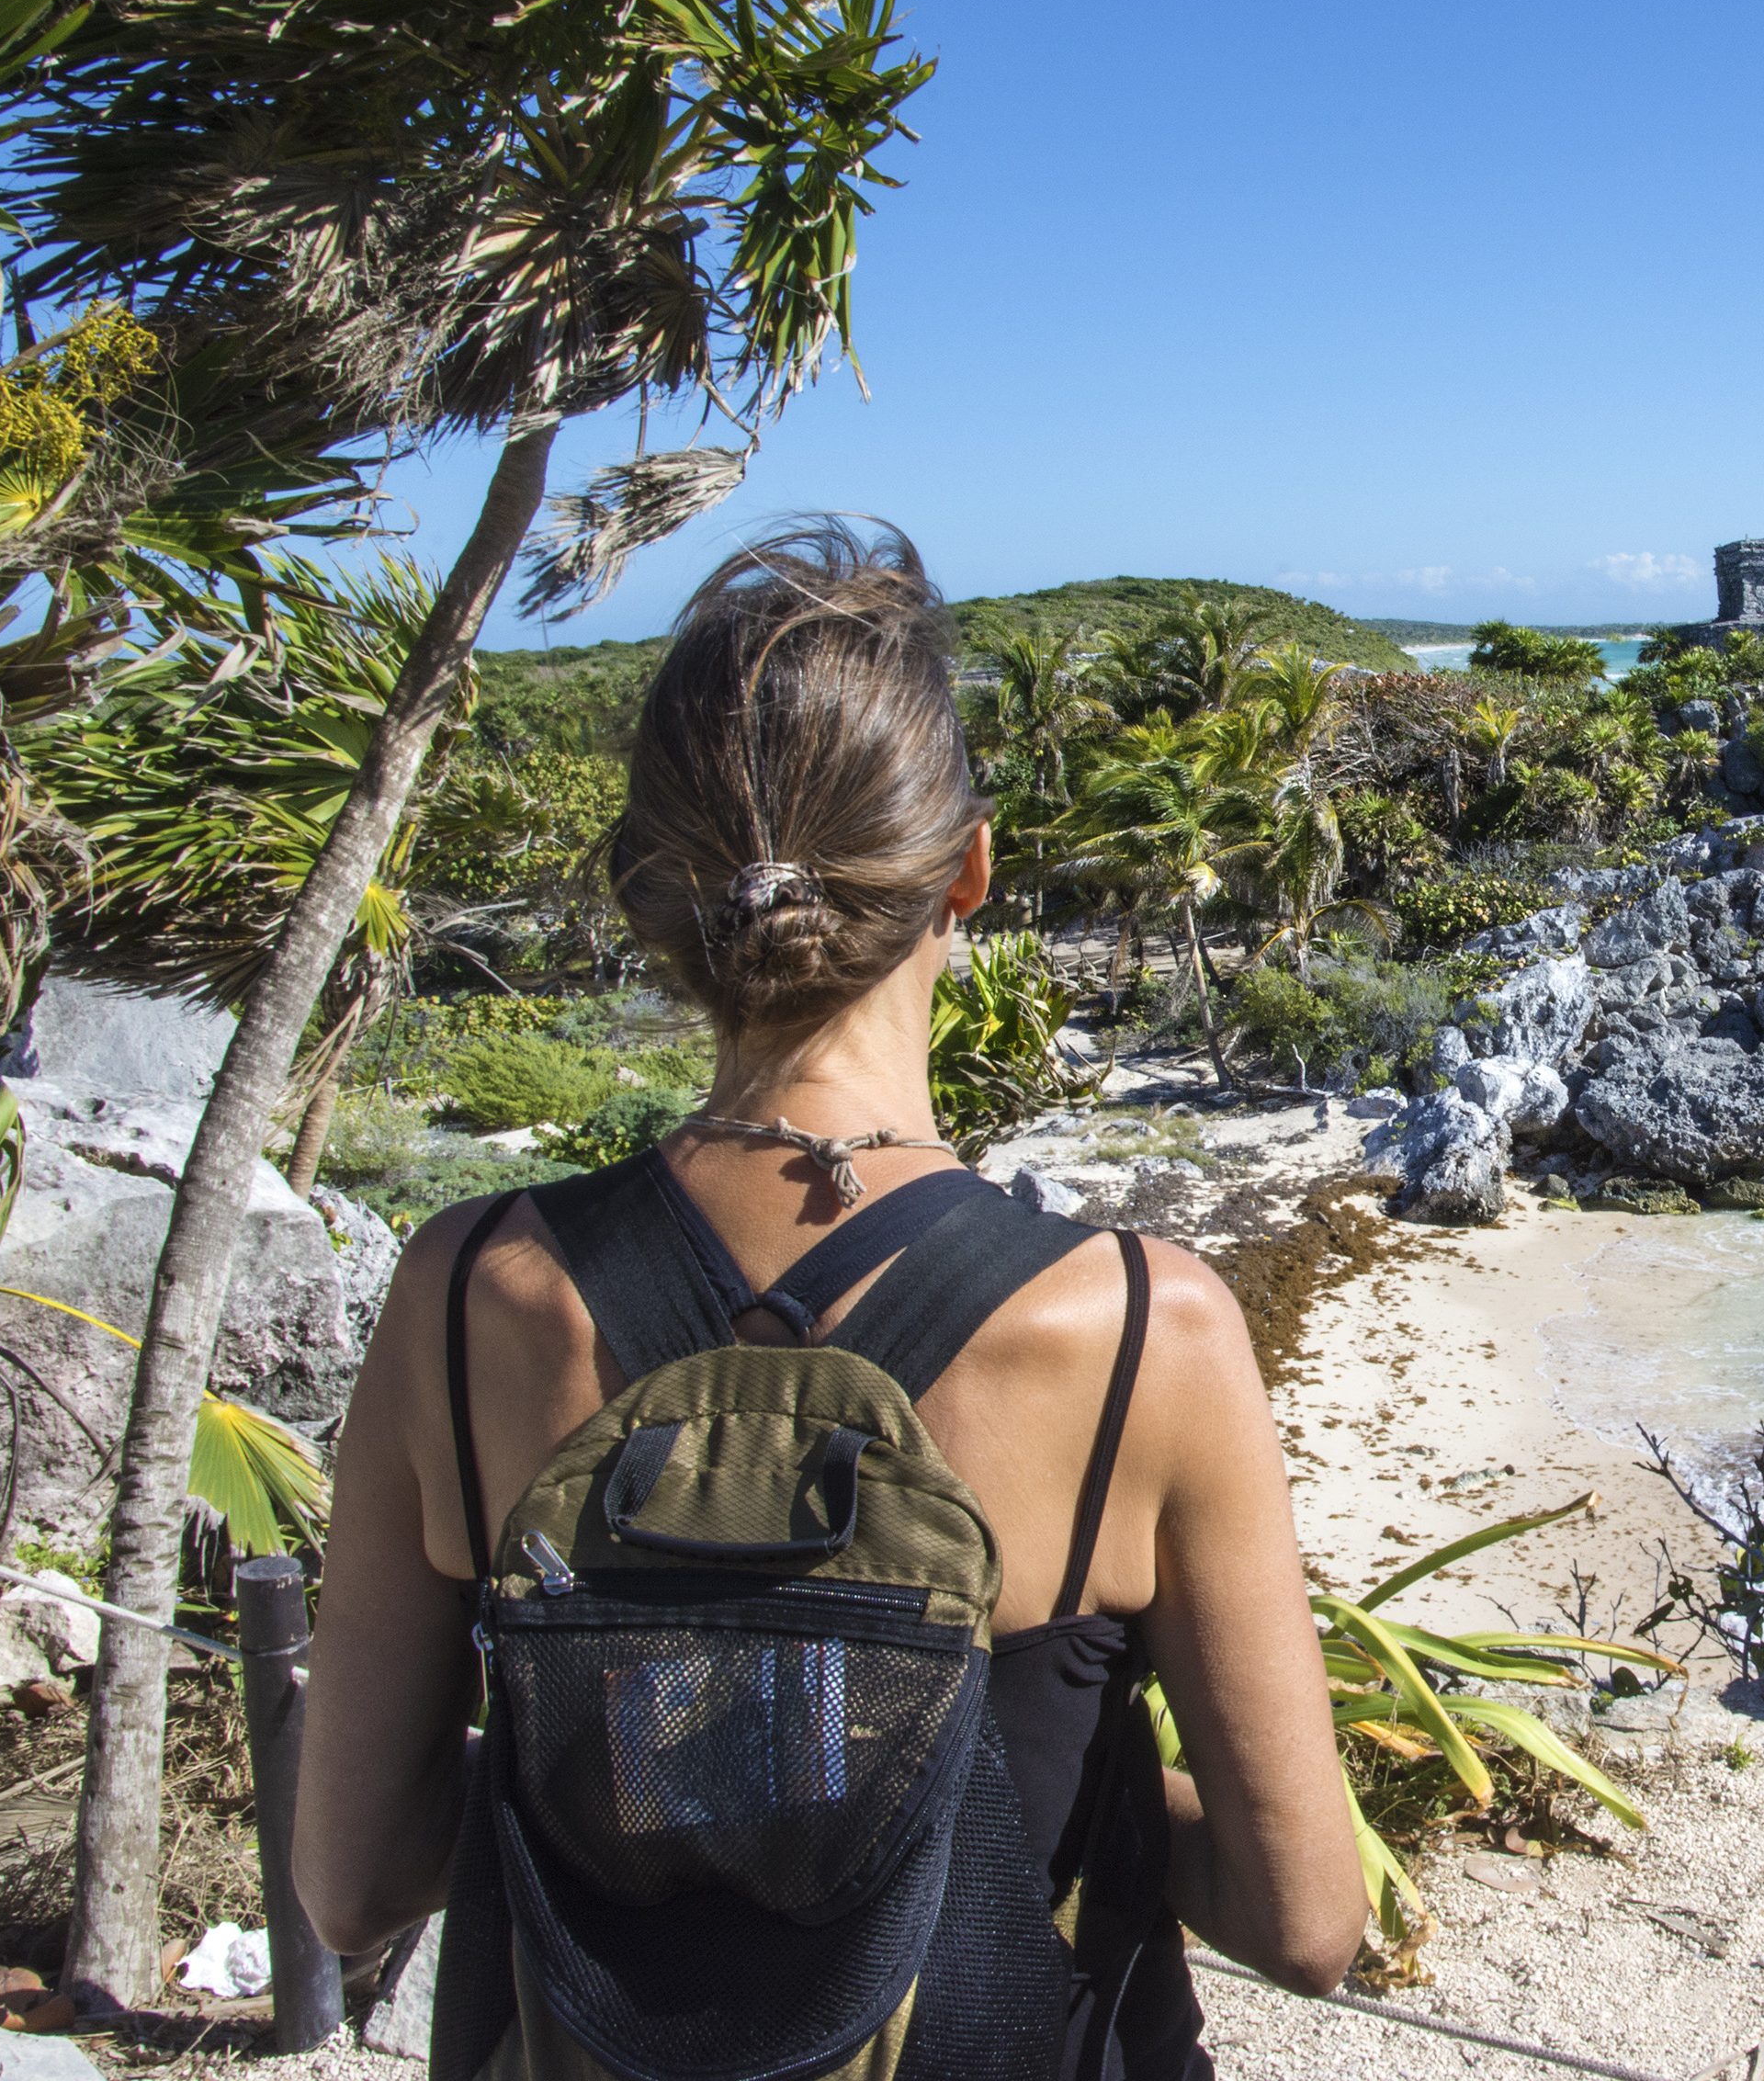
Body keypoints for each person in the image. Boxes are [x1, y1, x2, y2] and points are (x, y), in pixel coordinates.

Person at [295, 522, 1364, 2080]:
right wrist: (1022, 1790)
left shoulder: (469, 1290)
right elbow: (1307, 1921)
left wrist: (655, 1768)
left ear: (648, 896)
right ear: (971, 872)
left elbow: (351, 1882)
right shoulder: (1140, 1328)